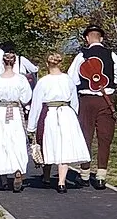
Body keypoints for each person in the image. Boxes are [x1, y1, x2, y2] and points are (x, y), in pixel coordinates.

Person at [66, 24, 117, 188]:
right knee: (105, 138)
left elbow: (71, 79)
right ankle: (101, 175)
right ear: (101, 38)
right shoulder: (111, 55)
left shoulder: (81, 56)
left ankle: (84, 174)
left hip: (87, 100)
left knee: (86, 135)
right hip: (106, 99)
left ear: (87, 38)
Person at [31, 52, 91, 185]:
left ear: (47, 64)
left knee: (49, 144)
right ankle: (61, 182)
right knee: (63, 147)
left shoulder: (43, 82)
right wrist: (74, 117)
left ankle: (46, 177)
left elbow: (36, 104)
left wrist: (31, 126)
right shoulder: (68, 79)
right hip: (67, 114)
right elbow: (74, 101)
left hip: (50, 114)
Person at [0, 51, 34, 190]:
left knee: (1, 142)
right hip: (14, 112)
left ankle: (3, 178)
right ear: (14, 63)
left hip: (0, 112)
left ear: (3, 62)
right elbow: (26, 98)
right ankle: (18, 171)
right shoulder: (20, 79)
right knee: (17, 142)